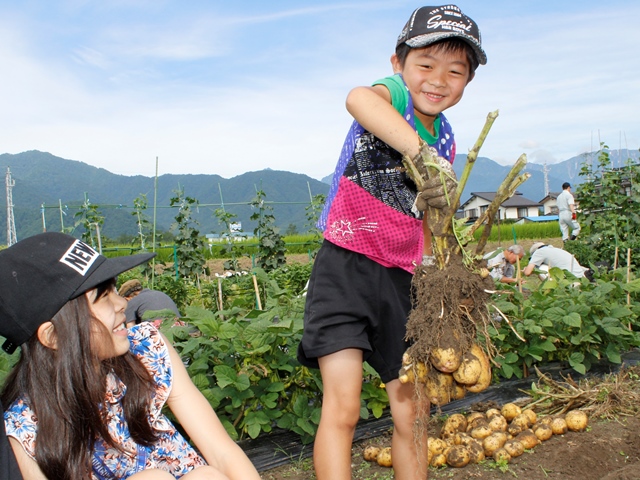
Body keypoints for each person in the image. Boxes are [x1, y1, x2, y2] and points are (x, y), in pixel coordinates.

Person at [297, 5, 486, 479]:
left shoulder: (446, 139)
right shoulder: (395, 99)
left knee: (414, 415)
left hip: (403, 283)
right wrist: (417, 152)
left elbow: (429, 219)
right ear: (398, 64)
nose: (438, 80)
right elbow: (359, 98)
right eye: (425, 65)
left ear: (468, 82)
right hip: (345, 266)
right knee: (342, 409)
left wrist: (444, 270)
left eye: (455, 72)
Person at [0, 232, 261, 480]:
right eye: (102, 297)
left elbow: (222, 451)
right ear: (53, 336)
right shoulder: (25, 431)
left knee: (206, 476)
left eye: (113, 289)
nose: (121, 304)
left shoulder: (146, 350)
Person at [523, 242, 588, 280]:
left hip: (570, 281)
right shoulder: (556, 250)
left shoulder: (539, 252)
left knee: (541, 268)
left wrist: (526, 270)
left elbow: (527, 273)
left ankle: (551, 289)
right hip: (582, 278)